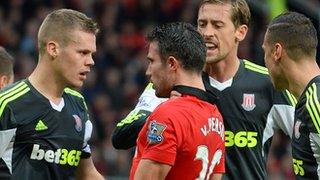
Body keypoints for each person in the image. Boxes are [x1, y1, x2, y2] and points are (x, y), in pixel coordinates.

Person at [113, 0, 295, 179]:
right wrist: (166, 110)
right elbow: (120, 136)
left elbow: (311, 134)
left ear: (240, 32)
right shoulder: (173, 79)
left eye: (217, 25)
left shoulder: (268, 83)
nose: (207, 33)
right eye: (202, 24)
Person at [0, 9, 104, 180]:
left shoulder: (78, 104)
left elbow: (86, 173)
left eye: (91, 54)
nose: (91, 61)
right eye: (83, 52)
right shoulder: (8, 103)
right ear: (53, 49)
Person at [130, 22, 225, 180]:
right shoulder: (216, 117)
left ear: (172, 64)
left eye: (152, 61)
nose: (148, 72)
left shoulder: (168, 115)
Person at [263, 11, 319, 179]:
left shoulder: (315, 101)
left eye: (265, 51)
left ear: (276, 52)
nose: (264, 60)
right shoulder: (306, 99)